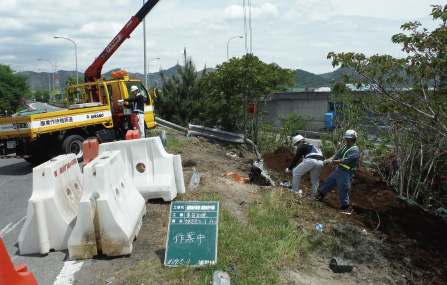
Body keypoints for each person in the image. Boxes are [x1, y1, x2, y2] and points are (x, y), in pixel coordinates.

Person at [316, 130, 360, 213]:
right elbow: (337, 154)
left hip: (346, 173)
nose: (346, 139)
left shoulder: (355, 150)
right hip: (339, 170)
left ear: (350, 139)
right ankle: (320, 196)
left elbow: (345, 160)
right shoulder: (346, 146)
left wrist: (333, 162)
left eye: (347, 138)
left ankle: (345, 207)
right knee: (328, 182)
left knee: (343, 189)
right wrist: (328, 160)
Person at [285, 135, 324, 199]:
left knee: (295, 172)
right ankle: (312, 197)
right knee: (315, 180)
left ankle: (294, 191)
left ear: (299, 142)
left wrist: (289, 169)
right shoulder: (313, 146)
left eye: (296, 144)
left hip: (311, 159)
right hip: (321, 161)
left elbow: (296, 159)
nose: (297, 146)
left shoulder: (302, 146)